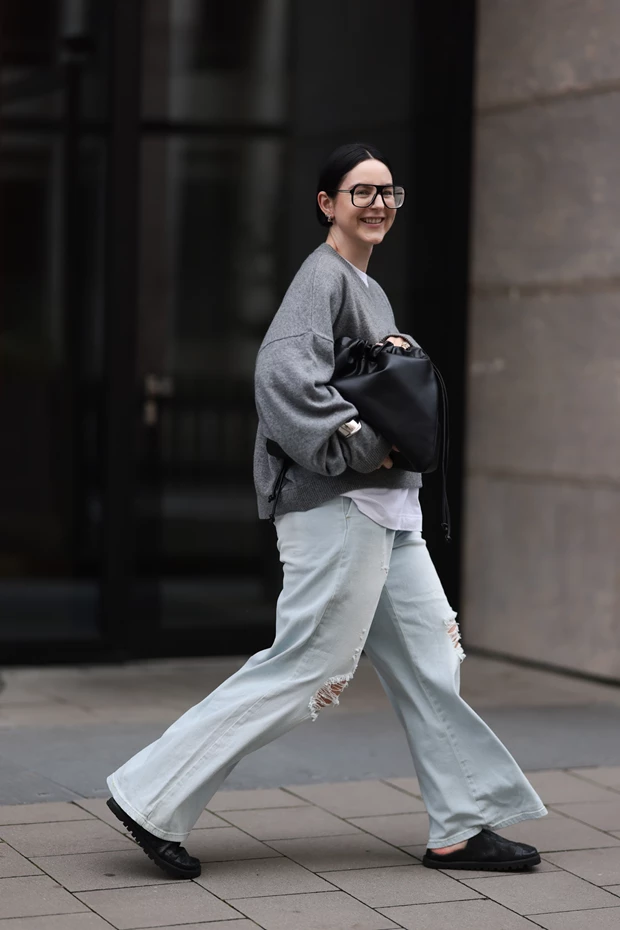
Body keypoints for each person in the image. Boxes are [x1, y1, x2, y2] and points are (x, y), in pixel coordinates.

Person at [105, 142, 547, 880]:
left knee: (433, 662)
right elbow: (281, 376)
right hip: (339, 508)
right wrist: (361, 446)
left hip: (386, 514)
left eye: (388, 193)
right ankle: (150, 797)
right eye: (361, 192)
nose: (377, 205)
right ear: (327, 204)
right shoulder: (322, 278)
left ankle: (459, 827)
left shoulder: (367, 289)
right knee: (310, 666)